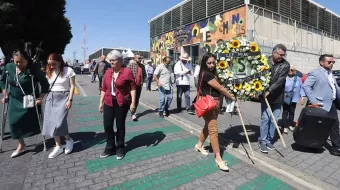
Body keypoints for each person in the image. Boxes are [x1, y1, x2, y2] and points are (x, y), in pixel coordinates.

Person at [0, 50, 49, 158]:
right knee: (13, 122)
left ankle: (43, 139)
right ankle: (21, 144)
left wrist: (40, 97)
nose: (18, 64)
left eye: (21, 62)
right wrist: (6, 94)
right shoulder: (9, 67)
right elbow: (2, 81)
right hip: (14, 100)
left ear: (27, 61)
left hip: (30, 100)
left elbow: (45, 84)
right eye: (16, 62)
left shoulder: (33, 70)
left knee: (31, 122)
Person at [194, 53, 235, 171]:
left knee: (208, 126)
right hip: (208, 105)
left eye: (213, 62)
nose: (212, 65)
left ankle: (198, 145)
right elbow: (221, 88)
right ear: (204, 63)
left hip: (214, 104)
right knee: (213, 129)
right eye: (209, 63)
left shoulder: (211, 73)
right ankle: (218, 158)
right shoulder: (206, 74)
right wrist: (231, 96)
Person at [99, 50, 136, 159]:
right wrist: (100, 102)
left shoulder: (127, 72)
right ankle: (110, 147)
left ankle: (120, 147)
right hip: (108, 101)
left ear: (120, 61)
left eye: (113, 60)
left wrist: (133, 103)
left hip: (121, 103)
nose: (111, 62)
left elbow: (133, 88)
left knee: (120, 126)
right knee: (107, 125)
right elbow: (104, 88)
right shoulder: (108, 72)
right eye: (110, 60)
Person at [303, 54, 340, 157]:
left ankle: (336, 147)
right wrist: (313, 101)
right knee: (317, 126)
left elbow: (334, 87)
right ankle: (311, 144)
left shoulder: (330, 73)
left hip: (331, 104)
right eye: (329, 62)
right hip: (319, 104)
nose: (332, 63)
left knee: (335, 125)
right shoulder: (315, 73)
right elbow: (306, 86)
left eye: (333, 62)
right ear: (321, 62)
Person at [42, 53, 76, 158]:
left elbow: (72, 86)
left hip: (64, 96)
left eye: (53, 64)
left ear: (60, 61)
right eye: (49, 64)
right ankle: (58, 145)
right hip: (51, 97)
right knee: (51, 122)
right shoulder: (49, 71)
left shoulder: (68, 70)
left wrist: (70, 100)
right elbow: (46, 86)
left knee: (60, 122)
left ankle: (68, 140)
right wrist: (41, 97)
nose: (51, 66)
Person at [258, 44, 290, 153]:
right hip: (265, 96)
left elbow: (280, 80)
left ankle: (269, 140)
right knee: (265, 119)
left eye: (284, 55)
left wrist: (269, 91)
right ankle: (262, 141)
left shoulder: (285, 65)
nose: (282, 57)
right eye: (280, 54)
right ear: (274, 53)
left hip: (277, 96)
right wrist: (260, 90)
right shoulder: (264, 60)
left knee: (274, 120)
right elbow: (258, 75)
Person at [282, 65, 305, 133]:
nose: (290, 71)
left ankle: (290, 124)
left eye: (292, 70)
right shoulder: (284, 78)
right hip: (286, 98)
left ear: (295, 71)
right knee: (285, 112)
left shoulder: (298, 78)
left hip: (294, 98)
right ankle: (285, 126)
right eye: (289, 70)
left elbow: (301, 88)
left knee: (292, 112)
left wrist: (302, 97)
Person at [127, 53, 146, 121]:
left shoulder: (142, 66)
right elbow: (126, 74)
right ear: (134, 58)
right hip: (131, 86)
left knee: (136, 100)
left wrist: (142, 81)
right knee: (130, 99)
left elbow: (144, 75)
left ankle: (133, 113)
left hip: (138, 86)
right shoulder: (130, 65)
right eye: (138, 58)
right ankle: (131, 111)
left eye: (140, 58)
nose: (140, 59)